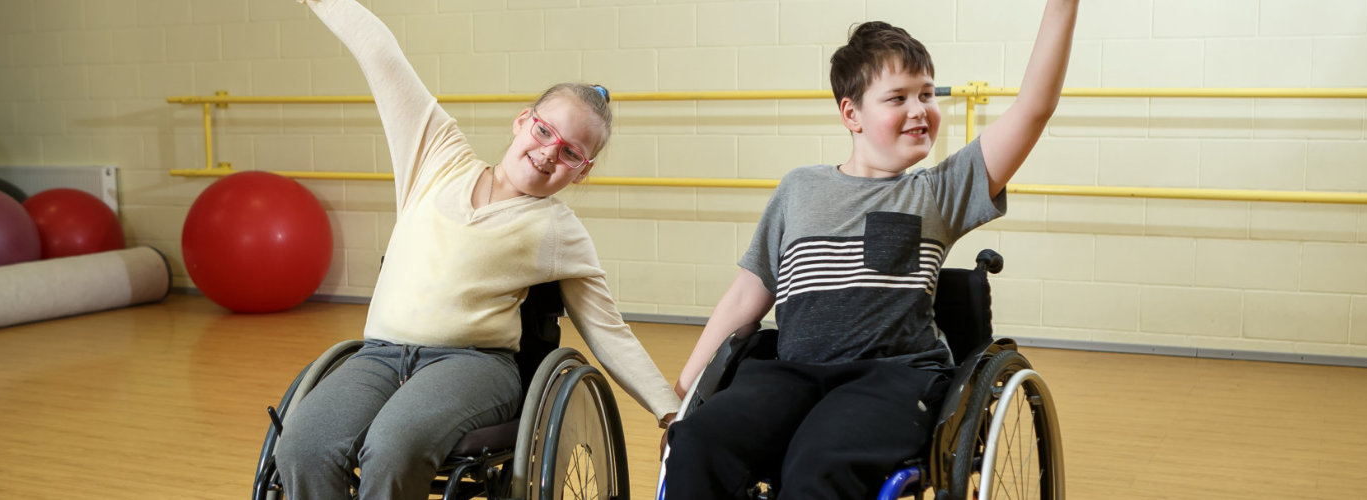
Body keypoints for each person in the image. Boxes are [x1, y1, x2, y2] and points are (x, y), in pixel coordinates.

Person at [662, 1, 1080, 497]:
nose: (919, 108)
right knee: (695, 442)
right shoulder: (798, 189)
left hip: (891, 379)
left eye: (927, 93)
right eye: (897, 97)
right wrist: (688, 385)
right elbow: (747, 295)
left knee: (818, 466)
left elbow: (1033, 107)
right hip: (791, 373)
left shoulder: (938, 191)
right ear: (851, 113)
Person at [273, 1, 680, 499]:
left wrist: (670, 410)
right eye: (545, 130)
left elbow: (608, 332)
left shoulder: (558, 229)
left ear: (583, 170)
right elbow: (379, 52)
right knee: (301, 447)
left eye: (572, 151)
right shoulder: (436, 155)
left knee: (393, 448)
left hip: (472, 366)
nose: (550, 151)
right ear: (522, 121)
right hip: (377, 356)